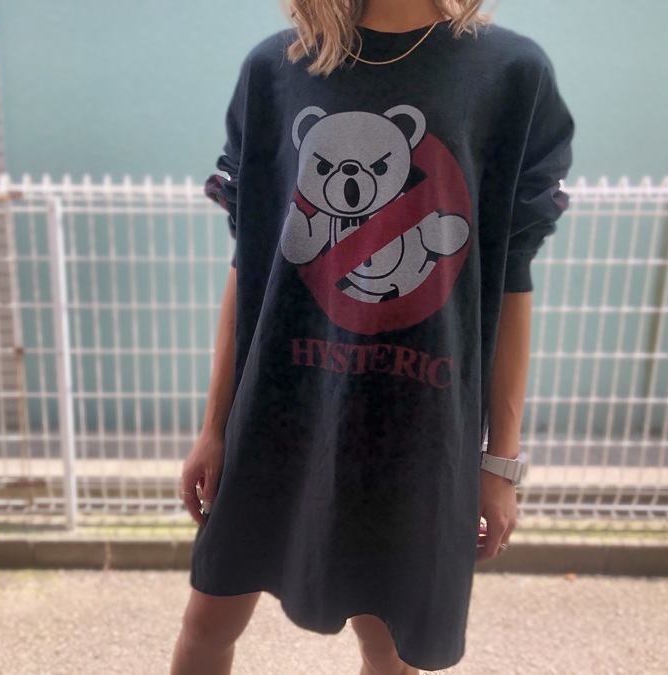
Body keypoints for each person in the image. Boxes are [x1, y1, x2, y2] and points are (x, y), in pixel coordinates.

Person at [171, 0, 574, 672]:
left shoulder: (510, 73)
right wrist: (214, 428)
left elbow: (510, 280)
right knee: (208, 620)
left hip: (418, 429)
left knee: (387, 647)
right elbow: (252, 264)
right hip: (277, 414)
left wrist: (500, 463)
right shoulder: (277, 68)